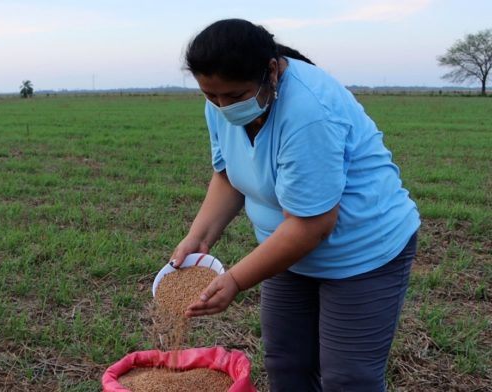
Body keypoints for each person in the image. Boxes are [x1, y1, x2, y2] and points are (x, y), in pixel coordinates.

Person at [169, 19, 420, 391]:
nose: (222, 107)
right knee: (286, 364)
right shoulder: (222, 101)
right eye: (211, 96)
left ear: (270, 70)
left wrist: (235, 280)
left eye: (235, 96)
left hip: (362, 252)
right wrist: (198, 238)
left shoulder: (308, 112)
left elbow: (311, 225)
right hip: (287, 250)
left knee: (347, 378)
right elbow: (228, 176)